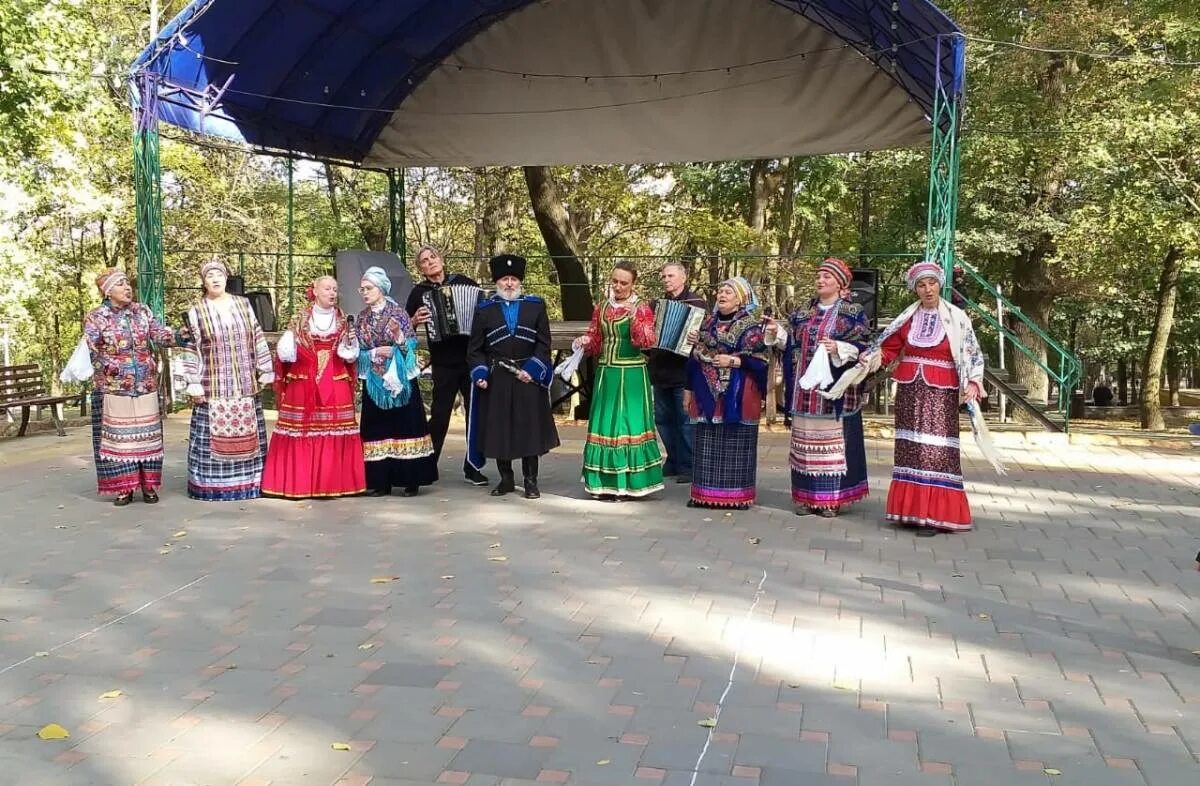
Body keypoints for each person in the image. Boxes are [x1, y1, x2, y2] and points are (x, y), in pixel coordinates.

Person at [849, 261, 987, 536]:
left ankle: (934, 514)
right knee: (910, 447)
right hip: (911, 390)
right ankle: (910, 511)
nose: (927, 290)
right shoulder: (907, 318)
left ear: (940, 284)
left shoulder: (957, 318)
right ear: (915, 289)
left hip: (941, 392)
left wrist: (973, 380)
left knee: (935, 449)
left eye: (932, 283)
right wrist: (871, 358)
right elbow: (889, 348)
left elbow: (971, 351)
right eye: (921, 285)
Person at [766, 258, 872, 517]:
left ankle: (830, 500)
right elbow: (791, 345)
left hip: (835, 392)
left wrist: (839, 349)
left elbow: (864, 347)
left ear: (840, 283)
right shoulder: (803, 313)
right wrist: (775, 332)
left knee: (832, 445)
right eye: (819, 275)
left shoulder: (853, 312)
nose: (820, 280)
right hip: (805, 391)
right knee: (805, 444)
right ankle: (804, 497)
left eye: (827, 276)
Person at [82, 268, 183, 506]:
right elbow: (92, 349)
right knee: (120, 439)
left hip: (145, 384)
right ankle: (124, 488)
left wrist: (180, 335)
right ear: (107, 292)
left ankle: (148, 486)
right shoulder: (97, 317)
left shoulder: (142, 311)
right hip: (114, 388)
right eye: (120, 285)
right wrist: (111, 370)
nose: (127, 288)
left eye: (127, 283)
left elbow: (160, 335)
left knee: (147, 437)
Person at [261, 275, 366, 499]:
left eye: (335, 289)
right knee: (301, 428)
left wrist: (349, 341)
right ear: (315, 291)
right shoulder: (300, 319)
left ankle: (334, 483)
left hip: (335, 381)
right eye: (327, 288)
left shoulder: (342, 321)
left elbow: (350, 356)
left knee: (337, 427)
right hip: (303, 381)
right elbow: (286, 352)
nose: (332, 293)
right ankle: (298, 484)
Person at [180, 259, 275, 501]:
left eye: (219, 275)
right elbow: (192, 349)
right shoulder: (197, 311)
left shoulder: (243, 305)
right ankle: (212, 488)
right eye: (209, 276)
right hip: (213, 384)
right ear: (203, 282)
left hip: (243, 383)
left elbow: (256, 336)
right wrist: (193, 382)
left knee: (248, 435)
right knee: (211, 437)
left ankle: (250, 485)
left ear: (225, 278)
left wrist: (264, 368)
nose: (215, 279)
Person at [467, 254, 560, 498]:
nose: (509, 283)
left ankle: (531, 482)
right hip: (497, 377)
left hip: (526, 376)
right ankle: (506, 479)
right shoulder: (484, 309)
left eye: (513, 279)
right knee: (500, 430)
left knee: (529, 430)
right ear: (497, 282)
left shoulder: (535, 305)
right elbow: (475, 349)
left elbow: (543, 344)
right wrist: (480, 373)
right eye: (505, 279)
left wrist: (532, 370)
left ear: (520, 282)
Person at [573, 261, 664, 499]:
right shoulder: (602, 307)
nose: (618, 286)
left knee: (626, 425)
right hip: (607, 374)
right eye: (615, 281)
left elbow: (647, 341)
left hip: (632, 374)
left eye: (624, 283)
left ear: (633, 284)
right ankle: (604, 482)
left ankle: (629, 483)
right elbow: (596, 340)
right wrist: (585, 341)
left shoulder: (641, 308)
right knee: (605, 424)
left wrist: (635, 319)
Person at [406, 244, 489, 486]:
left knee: (475, 414)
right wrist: (414, 320)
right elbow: (402, 327)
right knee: (440, 417)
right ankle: (427, 465)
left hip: (471, 359)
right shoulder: (418, 293)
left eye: (433, 257)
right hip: (443, 362)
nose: (430, 262)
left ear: (441, 259)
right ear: (420, 268)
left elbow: (485, 309)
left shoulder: (464, 282)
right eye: (424, 260)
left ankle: (473, 467)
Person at [683, 277, 769, 510]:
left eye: (728, 292)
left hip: (739, 392)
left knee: (736, 441)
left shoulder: (750, 327)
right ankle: (703, 494)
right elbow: (693, 360)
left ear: (740, 300)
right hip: (706, 393)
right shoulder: (706, 324)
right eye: (720, 291)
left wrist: (734, 361)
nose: (721, 295)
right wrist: (688, 390)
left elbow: (762, 360)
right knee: (707, 442)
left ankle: (737, 496)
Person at [356, 266, 438, 497]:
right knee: (377, 427)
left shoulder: (399, 313)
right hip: (374, 379)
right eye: (362, 289)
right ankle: (381, 481)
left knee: (405, 425)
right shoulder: (362, 317)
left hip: (399, 378)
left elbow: (410, 346)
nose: (364, 293)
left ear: (381, 288)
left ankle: (411, 479)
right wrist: (373, 354)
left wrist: (399, 341)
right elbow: (359, 350)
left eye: (368, 288)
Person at [646, 262, 706, 483]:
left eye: (670, 275)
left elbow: (704, 335)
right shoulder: (655, 305)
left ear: (683, 277)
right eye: (663, 276)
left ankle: (687, 465)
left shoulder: (697, 303)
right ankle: (672, 460)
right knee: (662, 419)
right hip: (660, 368)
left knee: (684, 419)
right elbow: (648, 336)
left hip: (684, 371)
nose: (666, 280)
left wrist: (695, 338)